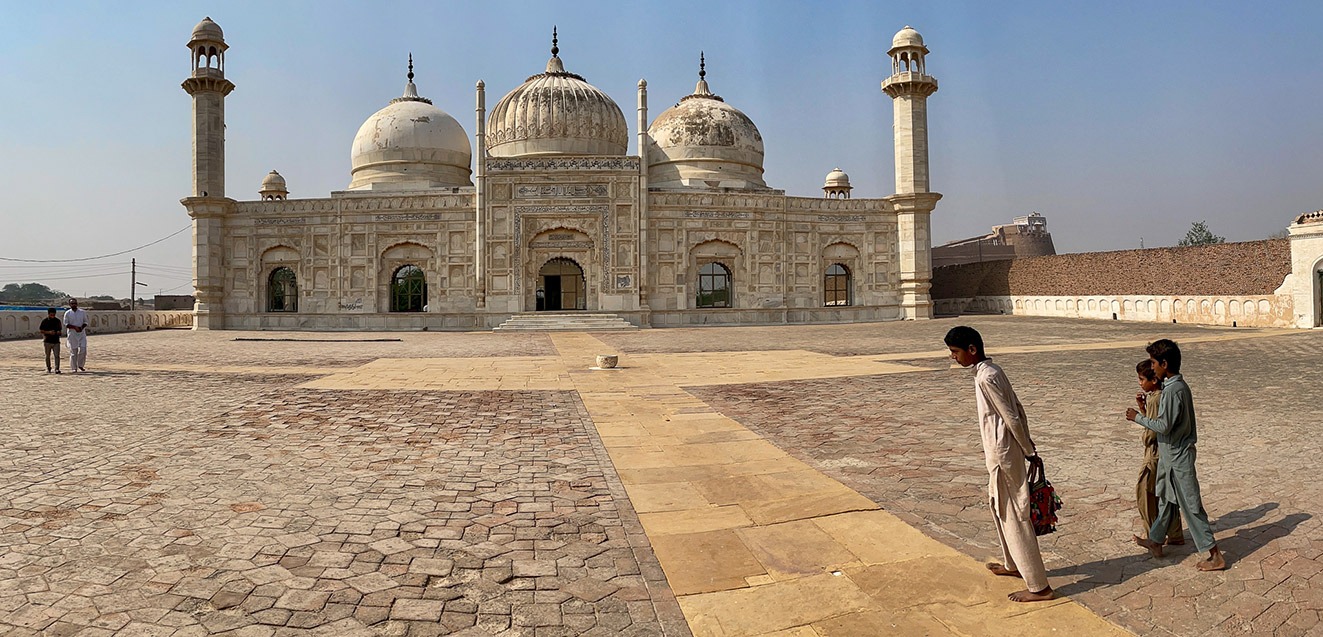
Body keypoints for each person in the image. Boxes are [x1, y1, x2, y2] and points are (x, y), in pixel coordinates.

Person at [945, 325, 1055, 602]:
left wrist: (1029, 451)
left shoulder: (987, 378)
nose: (953, 358)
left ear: (972, 350)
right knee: (999, 507)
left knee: (1014, 514)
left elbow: (1012, 416)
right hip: (1000, 452)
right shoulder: (989, 372)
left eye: (955, 352)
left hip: (1004, 453)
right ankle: (1014, 564)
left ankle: (1039, 586)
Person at [1126, 339, 1226, 571]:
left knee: (1191, 505)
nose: (1151, 368)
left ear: (1164, 363)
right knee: (1167, 501)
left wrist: (1137, 418)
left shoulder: (1174, 391)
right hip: (1170, 457)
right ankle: (1156, 540)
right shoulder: (1174, 387)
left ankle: (1214, 554)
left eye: (1153, 363)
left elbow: (1164, 426)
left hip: (1179, 456)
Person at [1134, 359, 1183, 545]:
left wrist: (1138, 417)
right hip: (1164, 453)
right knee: (1165, 494)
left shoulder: (1156, 397)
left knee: (1145, 495)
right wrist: (1143, 409)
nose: (1140, 383)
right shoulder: (1163, 395)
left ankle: (1154, 536)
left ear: (1153, 380)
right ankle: (1175, 533)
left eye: (1141, 379)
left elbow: (1152, 432)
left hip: (1154, 453)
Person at [63, 298, 88, 373]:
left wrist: (81, 328)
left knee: (83, 350)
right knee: (74, 351)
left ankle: (81, 365)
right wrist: (74, 328)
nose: (74, 305)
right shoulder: (67, 313)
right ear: (70, 305)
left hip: (81, 333)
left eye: (75, 303)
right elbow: (66, 324)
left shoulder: (82, 312)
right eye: (72, 303)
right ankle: (74, 367)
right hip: (72, 334)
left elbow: (85, 322)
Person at [39, 308, 62, 374]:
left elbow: (60, 330)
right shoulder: (45, 321)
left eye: (54, 314)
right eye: (51, 314)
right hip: (47, 341)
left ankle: (57, 368)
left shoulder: (57, 321)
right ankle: (48, 368)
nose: (52, 315)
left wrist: (58, 332)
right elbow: (41, 330)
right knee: (47, 356)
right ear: (48, 314)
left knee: (57, 355)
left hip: (56, 341)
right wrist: (49, 332)